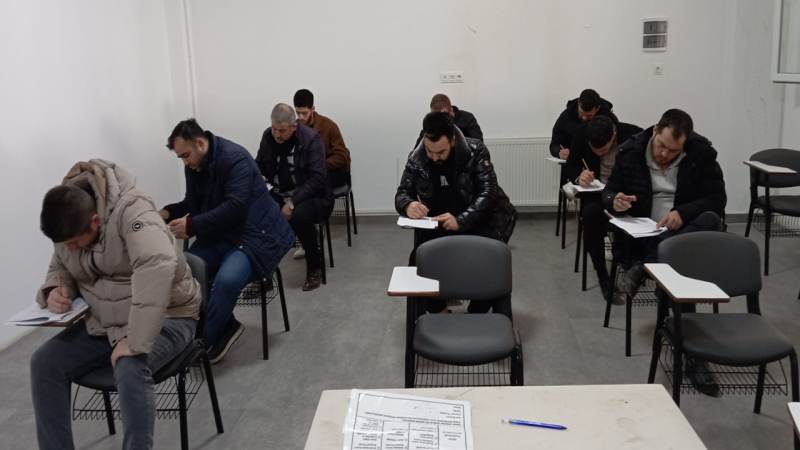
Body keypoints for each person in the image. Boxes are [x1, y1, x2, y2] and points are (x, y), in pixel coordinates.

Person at [31, 159, 202, 450]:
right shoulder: (69, 216)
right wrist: (54, 289)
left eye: (75, 242)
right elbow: (61, 264)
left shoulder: (135, 213)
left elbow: (157, 268)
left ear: (94, 222)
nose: (69, 248)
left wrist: (134, 339)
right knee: (44, 362)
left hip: (169, 315)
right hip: (107, 321)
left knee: (129, 366)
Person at [161, 119, 294, 363]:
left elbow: (235, 207)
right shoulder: (195, 165)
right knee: (184, 270)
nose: (185, 162)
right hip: (222, 234)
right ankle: (226, 326)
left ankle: (203, 342)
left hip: (256, 236)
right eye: (181, 158)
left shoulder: (235, 159)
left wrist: (192, 225)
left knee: (226, 280)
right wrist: (167, 212)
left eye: (186, 155)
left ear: (200, 143)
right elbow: (193, 202)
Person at [396, 112, 517, 315]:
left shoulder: (475, 150)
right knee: (419, 260)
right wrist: (408, 205)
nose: (435, 157)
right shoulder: (417, 158)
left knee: (492, 260)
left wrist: (460, 220)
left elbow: (489, 193)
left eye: (441, 152)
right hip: (438, 223)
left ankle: (477, 311)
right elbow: (402, 193)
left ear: (452, 140)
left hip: (476, 219)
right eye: (430, 151)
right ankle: (439, 311)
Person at [602, 108, 726, 297]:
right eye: (661, 145)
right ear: (655, 131)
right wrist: (615, 201)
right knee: (680, 261)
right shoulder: (630, 153)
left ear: (685, 143)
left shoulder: (701, 155)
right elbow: (608, 192)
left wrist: (683, 213)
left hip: (684, 232)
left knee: (710, 220)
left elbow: (717, 199)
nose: (665, 154)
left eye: (674, 150)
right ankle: (662, 285)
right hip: (644, 236)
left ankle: (646, 266)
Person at [257, 104, 333, 291]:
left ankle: (314, 266)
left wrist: (292, 202)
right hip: (279, 192)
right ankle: (264, 272)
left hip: (311, 195)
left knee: (299, 216)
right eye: (274, 129)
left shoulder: (311, 139)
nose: (277, 135)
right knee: (259, 215)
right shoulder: (268, 137)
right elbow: (259, 165)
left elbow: (317, 179)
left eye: (282, 130)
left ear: (294, 126)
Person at [565, 116, 642, 299]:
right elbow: (569, 167)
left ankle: (636, 266)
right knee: (590, 215)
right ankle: (603, 277)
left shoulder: (634, 136)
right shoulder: (581, 134)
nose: (601, 155)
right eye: (596, 152)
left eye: (605, 150)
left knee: (640, 220)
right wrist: (579, 175)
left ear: (614, 135)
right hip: (598, 194)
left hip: (627, 194)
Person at [293, 89, 352, 189]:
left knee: (313, 184)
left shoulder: (329, 126)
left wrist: (318, 164)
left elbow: (342, 157)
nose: (301, 117)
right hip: (309, 174)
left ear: (312, 109)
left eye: (304, 113)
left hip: (330, 172)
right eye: (298, 113)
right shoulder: (295, 128)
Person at [549, 88, 617, 160]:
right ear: (578, 103)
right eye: (581, 113)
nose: (584, 118)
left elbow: (617, 142)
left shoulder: (608, 118)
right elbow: (554, 145)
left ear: (597, 109)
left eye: (589, 116)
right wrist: (559, 152)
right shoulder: (566, 116)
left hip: (601, 162)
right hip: (574, 163)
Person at [413, 94, 483, 148]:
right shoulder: (432, 121)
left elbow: (478, 143)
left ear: (451, 110)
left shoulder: (467, 118)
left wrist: (451, 124)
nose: (438, 119)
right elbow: (416, 150)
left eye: (442, 116)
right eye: (435, 116)